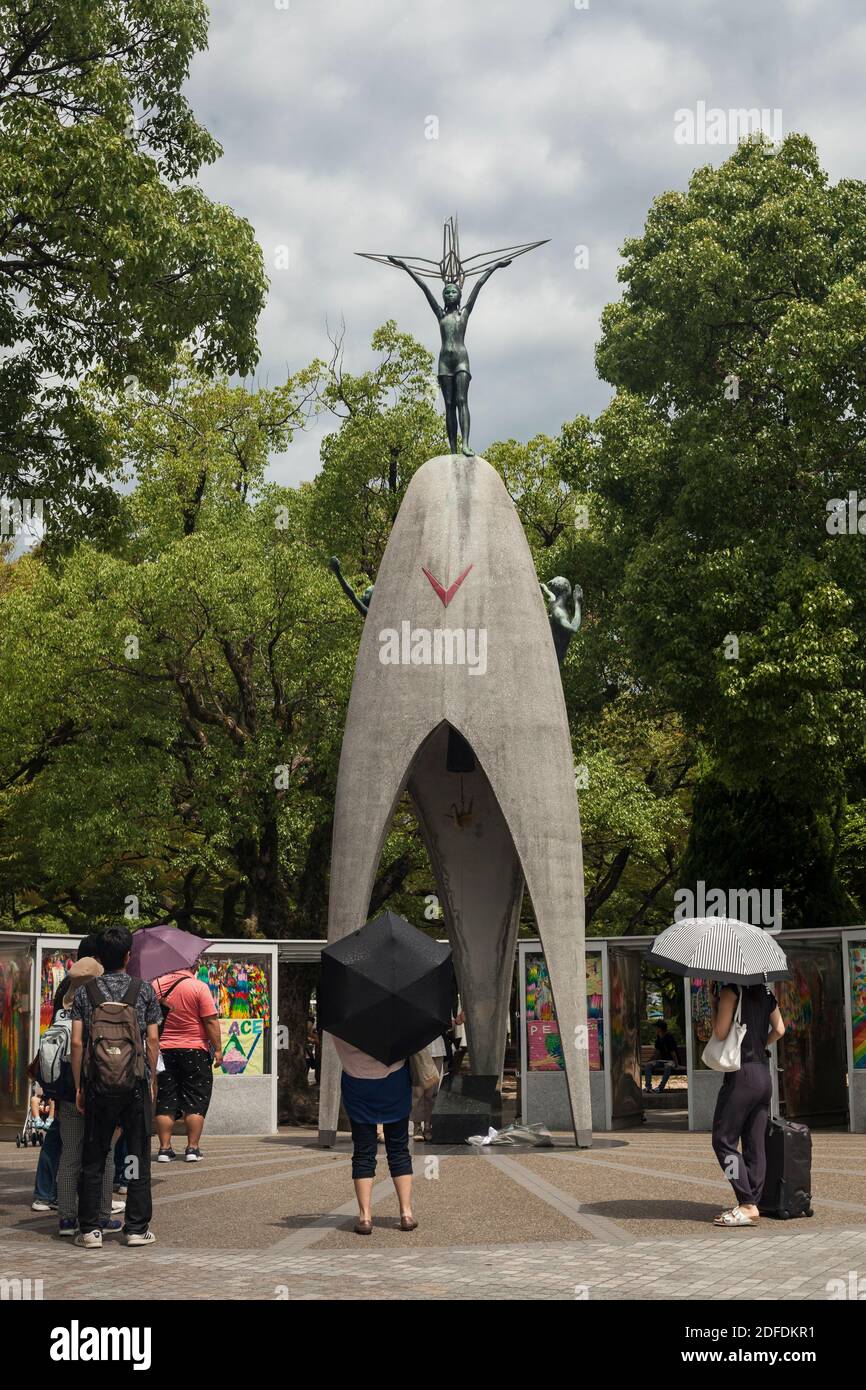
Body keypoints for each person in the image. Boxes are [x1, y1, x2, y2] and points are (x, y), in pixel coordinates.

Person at [71, 925, 160, 1249]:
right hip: (134, 1086)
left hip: (97, 1086)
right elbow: (152, 1039)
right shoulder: (144, 991)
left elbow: (78, 1043)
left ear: (99, 958)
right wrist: (149, 1078)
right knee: (136, 1156)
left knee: (94, 1156)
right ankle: (135, 1228)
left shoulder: (86, 993)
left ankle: (91, 1230)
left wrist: (80, 1084)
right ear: (127, 955)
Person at [44, 940, 126, 1236]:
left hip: (66, 1091)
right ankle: (102, 1216)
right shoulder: (97, 1007)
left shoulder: (59, 1007)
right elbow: (82, 1045)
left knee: (70, 1155)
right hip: (95, 1088)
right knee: (103, 1154)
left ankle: (66, 1218)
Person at [710, 980, 786, 1228]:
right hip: (763, 1075)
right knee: (755, 1143)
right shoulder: (766, 991)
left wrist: (716, 1006)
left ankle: (746, 1203)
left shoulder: (731, 991)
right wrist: (760, 1043)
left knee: (723, 1141)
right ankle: (753, 1201)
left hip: (741, 1076)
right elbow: (780, 1029)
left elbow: (721, 1033)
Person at [329, 1035, 416, 1235]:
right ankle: (406, 1213)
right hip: (395, 1083)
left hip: (357, 1085)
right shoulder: (395, 1021)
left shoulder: (343, 1024)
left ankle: (365, 1217)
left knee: (363, 1152)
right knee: (398, 1149)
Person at [152, 962, 221, 1162]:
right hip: (195, 1049)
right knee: (196, 1098)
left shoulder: (156, 985)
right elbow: (210, 1020)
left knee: (165, 1098)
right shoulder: (198, 987)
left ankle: (164, 1149)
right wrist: (217, 1049)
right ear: (194, 966)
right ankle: (192, 1148)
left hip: (163, 1049)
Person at [643, 1020, 679, 1092]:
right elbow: (656, 1054)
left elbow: (673, 1052)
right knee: (648, 1066)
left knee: (668, 1066)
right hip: (661, 1061)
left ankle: (660, 1088)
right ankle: (648, 1087)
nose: (654, 1029)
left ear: (659, 1028)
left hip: (670, 1061)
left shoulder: (669, 1038)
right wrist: (649, 1062)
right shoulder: (658, 1039)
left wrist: (676, 1064)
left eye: (655, 1027)